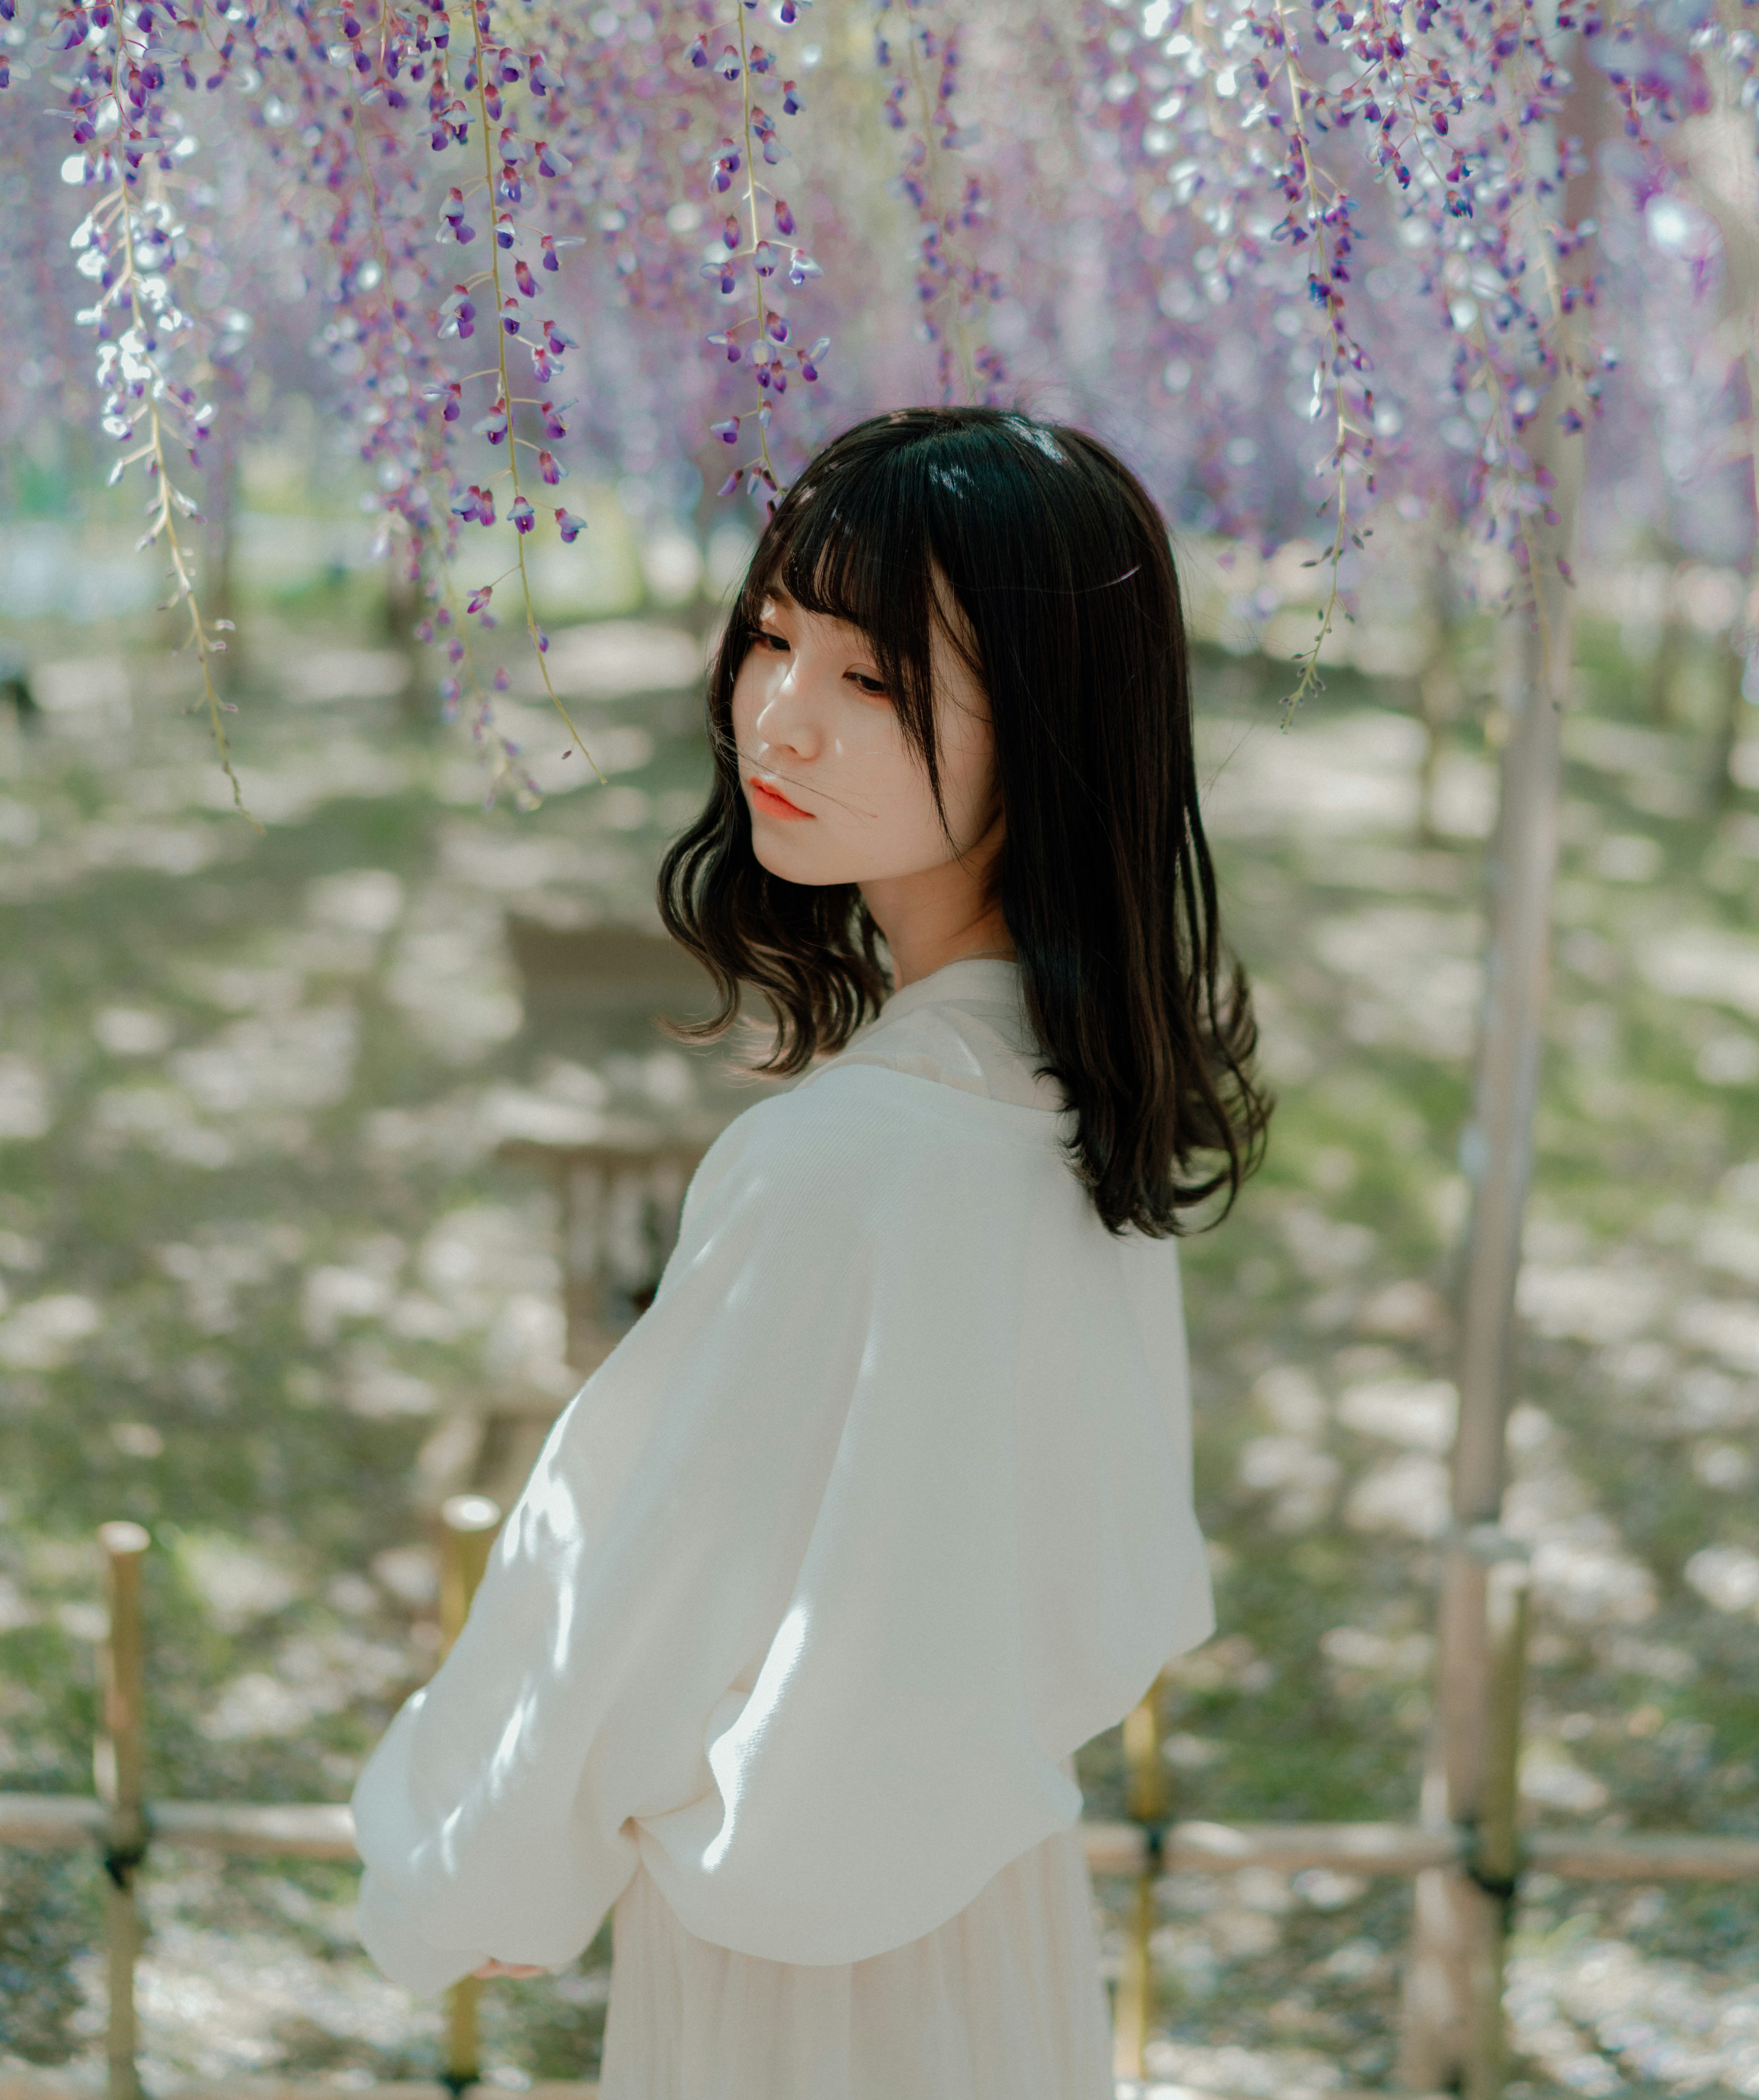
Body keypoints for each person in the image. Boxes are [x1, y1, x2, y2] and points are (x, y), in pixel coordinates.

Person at [352, 405, 1269, 2100]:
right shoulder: (1065, 1102)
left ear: (1050, 725)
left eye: (875, 677)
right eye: (774, 636)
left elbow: (626, 1584)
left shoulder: (852, 1155)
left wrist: (469, 1865)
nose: (780, 711)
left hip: (798, 1984)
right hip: (997, 1912)